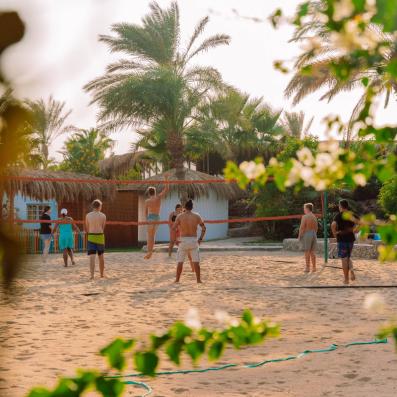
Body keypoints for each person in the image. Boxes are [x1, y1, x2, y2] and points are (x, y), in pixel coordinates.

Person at [173, 199, 206, 283]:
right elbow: (204, 228)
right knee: (196, 261)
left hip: (183, 240)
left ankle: (177, 280)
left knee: (180, 261)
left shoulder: (180, 216)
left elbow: (173, 228)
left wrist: (175, 240)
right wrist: (200, 239)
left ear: (184, 207)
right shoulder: (197, 216)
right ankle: (198, 280)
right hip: (193, 240)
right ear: (192, 207)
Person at [331, 199, 358, 285]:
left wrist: (335, 234)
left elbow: (333, 225)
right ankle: (352, 270)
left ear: (341, 206)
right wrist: (355, 230)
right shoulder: (351, 214)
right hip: (351, 239)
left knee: (344, 258)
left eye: (339, 206)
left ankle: (346, 279)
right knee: (348, 257)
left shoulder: (339, 215)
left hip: (342, 240)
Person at [144, 180, 169, 259]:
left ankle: (149, 251)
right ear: (154, 192)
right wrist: (166, 179)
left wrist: (147, 220)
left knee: (149, 236)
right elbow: (167, 189)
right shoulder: (158, 197)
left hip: (150, 217)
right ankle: (150, 251)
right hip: (157, 217)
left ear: (149, 193)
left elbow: (145, 212)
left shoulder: (147, 201)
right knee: (153, 235)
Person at [85, 199, 106, 280]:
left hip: (91, 236)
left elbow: (87, 227)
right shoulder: (103, 215)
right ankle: (101, 275)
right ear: (99, 206)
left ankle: (92, 276)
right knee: (101, 256)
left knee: (92, 257)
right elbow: (103, 227)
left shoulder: (88, 215)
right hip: (100, 236)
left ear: (93, 206)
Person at [298, 203, 318, 273]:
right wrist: (314, 234)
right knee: (312, 251)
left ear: (307, 208)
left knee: (307, 251)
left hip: (307, 234)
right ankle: (314, 267)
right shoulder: (314, 216)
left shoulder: (305, 216)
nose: (304, 209)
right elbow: (316, 228)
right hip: (314, 234)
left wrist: (299, 236)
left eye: (304, 208)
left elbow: (302, 227)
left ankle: (307, 268)